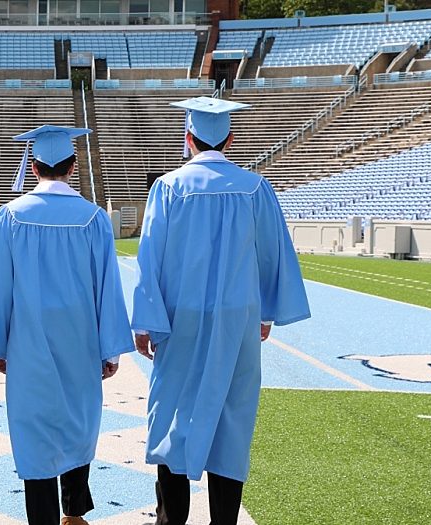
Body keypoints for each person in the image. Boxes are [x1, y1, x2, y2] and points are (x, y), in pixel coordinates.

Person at [131, 97, 312, 525]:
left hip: (180, 318)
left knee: (173, 410)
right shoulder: (254, 188)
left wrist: (145, 320)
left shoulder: (169, 187)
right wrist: (265, 312)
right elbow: (273, 254)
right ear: (231, 138)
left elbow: (150, 257)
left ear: (188, 139)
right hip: (238, 318)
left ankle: (171, 518)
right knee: (232, 416)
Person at [0, 125, 135, 525]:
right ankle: (76, 511)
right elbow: (107, 287)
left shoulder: (10, 217)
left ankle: (43, 517)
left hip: (28, 344)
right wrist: (110, 347)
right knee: (78, 421)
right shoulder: (94, 219)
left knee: (34, 429)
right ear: (73, 166)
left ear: (33, 168)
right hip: (80, 342)